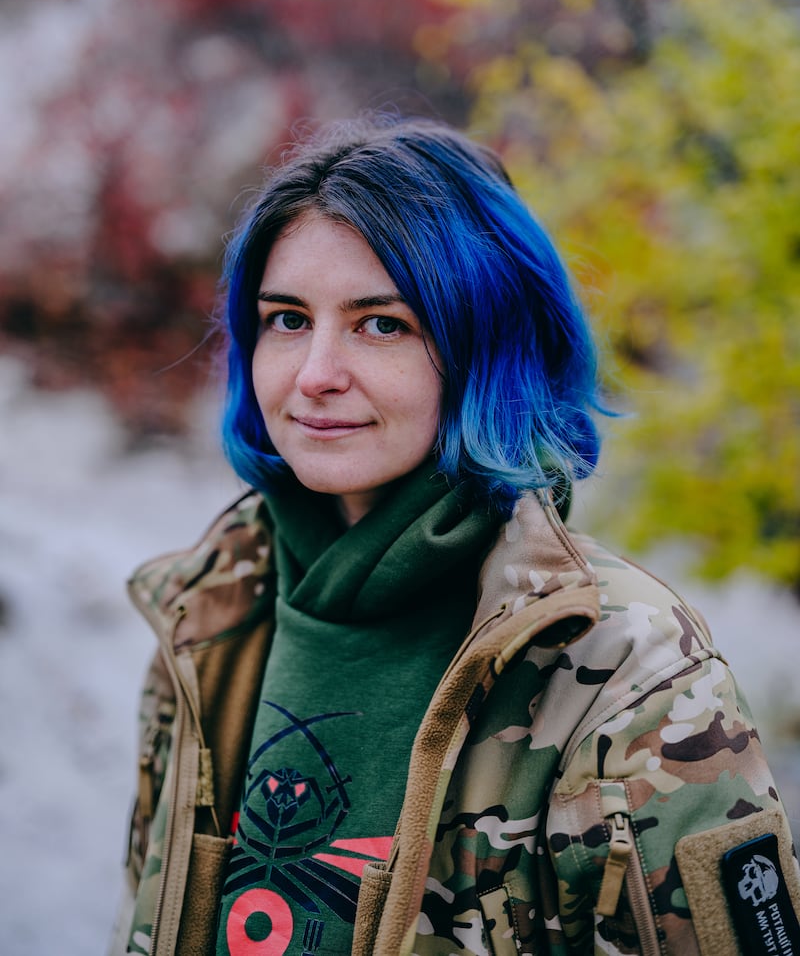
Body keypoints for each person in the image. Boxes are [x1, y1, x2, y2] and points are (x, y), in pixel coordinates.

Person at [110, 116, 800, 956]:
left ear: (487, 349)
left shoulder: (632, 669)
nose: (315, 374)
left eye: (381, 324)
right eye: (287, 319)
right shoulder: (202, 617)